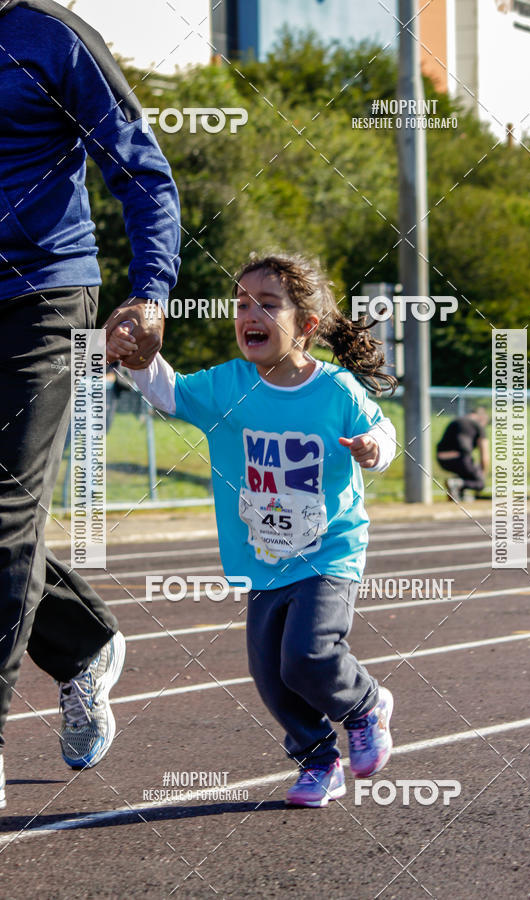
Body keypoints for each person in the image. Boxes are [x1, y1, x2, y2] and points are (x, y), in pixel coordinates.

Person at [107, 253, 397, 808]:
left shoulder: (334, 390)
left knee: (307, 655)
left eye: (267, 304)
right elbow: (170, 392)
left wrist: (373, 449)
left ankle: (365, 705)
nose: (249, 314)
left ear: (306, 326)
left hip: (328, 551)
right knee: (269, 674)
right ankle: (318, 759)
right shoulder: (229, 385)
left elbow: (381, 429)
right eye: (241, 304)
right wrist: (141, 358)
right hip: (264, 555)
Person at [0, 0, 180, 808]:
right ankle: (82, 642)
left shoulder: (52, 37)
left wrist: (150, 292)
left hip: (45, 293)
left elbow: (140, 170)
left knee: (7, 504)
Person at [436, 407, 489, 501]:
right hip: (460, 458)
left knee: (464, 474)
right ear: (482, 418)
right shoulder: (478, 425)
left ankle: (455, 492)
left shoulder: (456, 421)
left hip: (441, 458)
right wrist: (481, 475)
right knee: (480, 483)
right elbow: (484, 457)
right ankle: (456, 484)